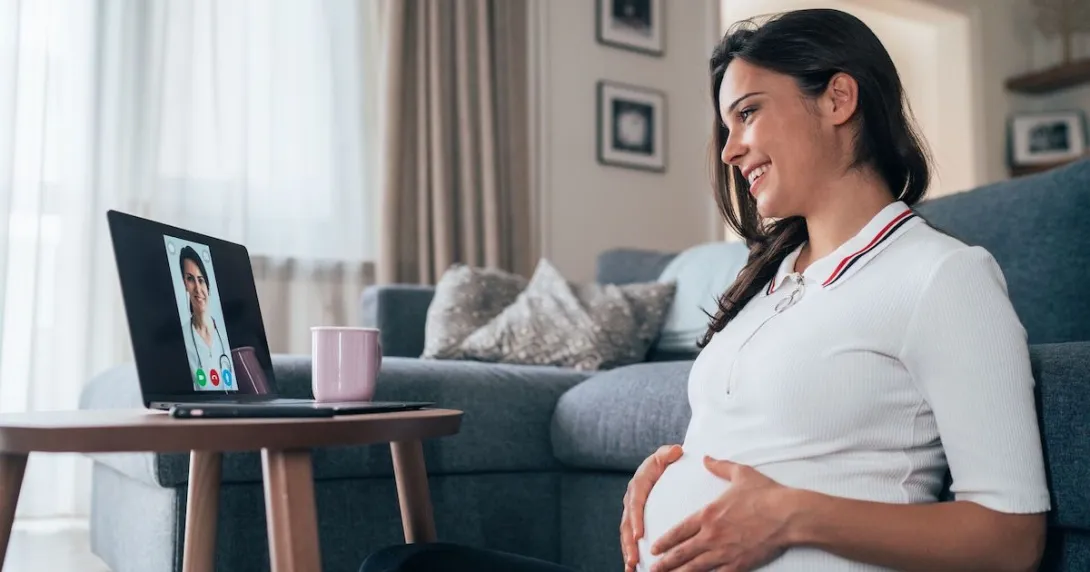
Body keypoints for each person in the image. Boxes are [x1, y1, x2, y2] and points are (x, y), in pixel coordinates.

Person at [359, 8, 1050, 572]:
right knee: (404, 564)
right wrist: (676, 470)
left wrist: (788, 515)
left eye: (747, 113)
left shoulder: (942, 277)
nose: (728, 149)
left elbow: (1012, 536)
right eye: (727, 125)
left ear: (839, 98)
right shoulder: (771, 280)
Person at [178, 245, 231, 386]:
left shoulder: (225, 334)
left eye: (201, 280)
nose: (197, 288)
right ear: (184, 283)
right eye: (190, 279)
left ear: (207, 285)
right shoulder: (181, 338)